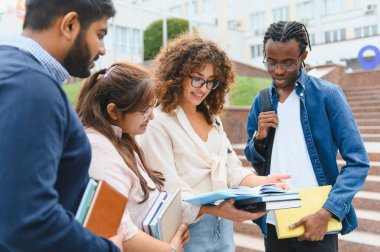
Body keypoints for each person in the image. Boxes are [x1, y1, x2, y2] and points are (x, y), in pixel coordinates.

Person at [140, 33, 290, 252]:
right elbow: (168, 191)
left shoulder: (212, 118)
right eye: (197, 78)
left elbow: (230, 169)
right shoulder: (158, 122)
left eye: (211, 81)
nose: (203, 87)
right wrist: (215, 209)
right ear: (178, 74)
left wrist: (264, 182)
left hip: (223, 226)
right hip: (187, 231)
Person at [0, 1, 126, 251]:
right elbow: (27, 221)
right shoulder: (31, 86)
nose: (102, 49)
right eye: (100, 34)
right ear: (69, 24)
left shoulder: (12, 70)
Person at [244, 20, 370, 252]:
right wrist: (258, 139)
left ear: (304, 56)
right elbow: (256, 159)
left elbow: (359, 162)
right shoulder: (261, 101)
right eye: (271, 62)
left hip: (318, 220)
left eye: (288, 63)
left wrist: (326, 213)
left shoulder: (327, 95)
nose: (278, 70)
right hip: (275, 221)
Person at [76, 62, 190, 252]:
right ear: (113, 111)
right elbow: (117, 228)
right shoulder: (98, 150)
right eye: (144, 111)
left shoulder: (119, 138)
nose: (151, 117)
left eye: (152, 107)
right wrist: (169, 249)